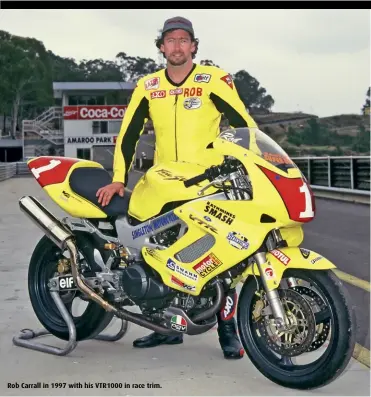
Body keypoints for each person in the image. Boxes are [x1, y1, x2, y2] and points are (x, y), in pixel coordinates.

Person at [96, 16, 258, 359]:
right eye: (171, 40)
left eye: (184, 40)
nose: (177, 46)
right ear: (161, 48)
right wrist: (119, 178)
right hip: (164, 185)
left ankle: (227, 331)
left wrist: (252, 167)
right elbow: (128, 134)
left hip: (208, 184)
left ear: (194, 46)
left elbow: (245, 125)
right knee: (156, 254)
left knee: (222, 258)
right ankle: (167, 328)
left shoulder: (214, 79)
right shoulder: (148, 86)